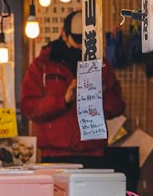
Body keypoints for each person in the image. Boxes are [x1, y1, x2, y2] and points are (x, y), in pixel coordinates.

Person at [20, 10, 125, 162]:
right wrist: (63, 100)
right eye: (78, 39)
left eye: (87, 39)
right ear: (64, 34)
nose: (82, 45)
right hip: (55, 154)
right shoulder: (42, 65)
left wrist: (101, 94)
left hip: (93, 152)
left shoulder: (101, 65)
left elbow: (117, 108)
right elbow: (29, 108)